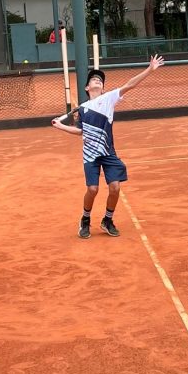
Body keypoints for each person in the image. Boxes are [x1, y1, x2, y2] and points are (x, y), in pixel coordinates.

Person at [52, 55, 165, 239]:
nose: (98, 80)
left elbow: (130, 84)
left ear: (103, 88)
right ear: (87, 88)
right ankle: (85, 219)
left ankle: (107, 220)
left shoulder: (109, 98)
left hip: (108, 152)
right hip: (90, 155)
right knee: (92, 190)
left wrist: (149, 70)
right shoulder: (82, 109)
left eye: (100, 80)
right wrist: (60, 126)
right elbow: (80, 131)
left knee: (115, 188)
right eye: (94, 79)